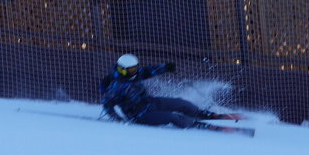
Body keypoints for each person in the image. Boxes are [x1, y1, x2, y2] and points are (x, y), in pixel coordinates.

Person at [99, 53, 239, 128]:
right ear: (122, 69)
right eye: (131, 69)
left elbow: (148, 71)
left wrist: (165, 67)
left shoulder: (133, 75)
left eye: (135, 68)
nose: (134, 71)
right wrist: (119, 120)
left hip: (149, 102)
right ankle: (199, 125)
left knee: (181, 103)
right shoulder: (116, 86)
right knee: (173, 116)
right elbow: (107, 104)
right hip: (139, 115)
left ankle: (204, 114)